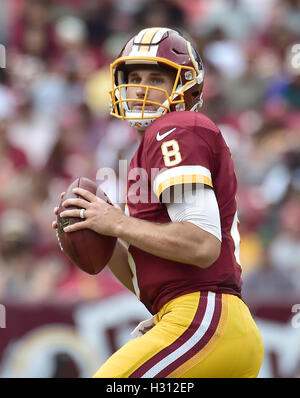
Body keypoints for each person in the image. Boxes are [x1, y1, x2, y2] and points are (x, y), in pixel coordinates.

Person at [52, 27, 264, 378]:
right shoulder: (150, 148)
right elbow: (148, 280)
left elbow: (201, 244)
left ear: (185, 87)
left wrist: (116, 222)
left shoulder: (175, 128)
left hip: (203, 319)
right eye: (134, 77)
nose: (141, 87)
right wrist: (96, 229)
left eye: (157, 78)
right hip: (204, 322)